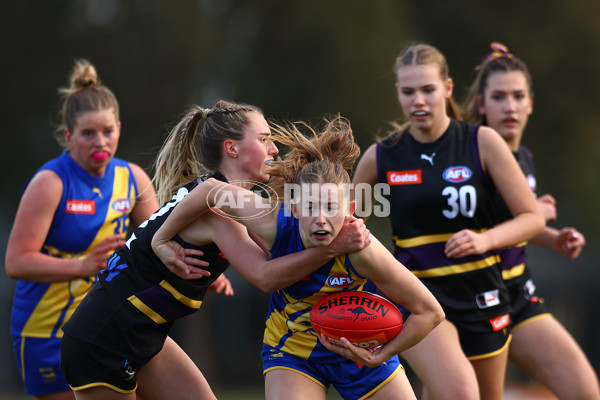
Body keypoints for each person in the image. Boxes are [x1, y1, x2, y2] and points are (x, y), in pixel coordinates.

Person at [58, 101, 372, 400]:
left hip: (139, 332)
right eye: (264, 140)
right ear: (232, 148)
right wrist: (334, 248)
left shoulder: (225, 199)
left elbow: (280, 252)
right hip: (104, 336)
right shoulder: (219, 207)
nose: (274, 149)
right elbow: (265, 276)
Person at [152, 115, 445, 400]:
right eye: (310, 206)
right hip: (292, 349)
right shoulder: (272, 222)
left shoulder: (363, 250)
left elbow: (431, 312)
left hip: (358, 349)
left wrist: (381, 354)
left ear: (350, 209)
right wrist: (161, 238)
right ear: (292, 207)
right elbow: (210, 190)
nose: (320, 219)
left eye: (331, 206)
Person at [351, 43, 546, 400]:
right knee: (459, 394)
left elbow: (531, 218)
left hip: (482, 295)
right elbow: (347, 230)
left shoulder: (481, 142)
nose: (419, 101)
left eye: (428, 90)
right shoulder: (381, 157)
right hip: (419, 300)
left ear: (448, 89)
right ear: (398, 93)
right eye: (409, 92)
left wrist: (485, 240)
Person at [4, 60, 159, 400]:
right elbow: (16, 262)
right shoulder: (51, 183)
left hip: (109, 324)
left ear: (119, 128)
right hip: (47, 332)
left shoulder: (132, 178)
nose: (100, 141)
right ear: (68, 136)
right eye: (88, 133)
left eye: (108, 131)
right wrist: (82, 265)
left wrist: (200, 265)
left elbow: (159, 241)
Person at [462, 42, 600, 399]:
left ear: (531, 104)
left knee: (585, 390)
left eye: (518, 96)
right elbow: (466, 236)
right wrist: (536, 216)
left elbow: (521, 223)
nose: (510, 106)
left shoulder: (523, 157)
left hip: (518, 297)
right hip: (471, 301)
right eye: (499, 96)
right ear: (481, 104)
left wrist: (553, 237)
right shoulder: (465, 159)